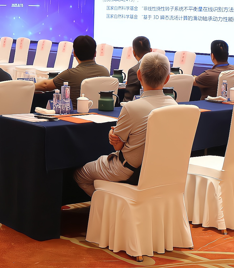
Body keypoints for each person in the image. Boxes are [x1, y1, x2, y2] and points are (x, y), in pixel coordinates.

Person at [74, 52, 176, 196]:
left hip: (129, 170)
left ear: (139, 75)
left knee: (80, 175)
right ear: (167, 78)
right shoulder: (174, 105)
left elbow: (117, 146)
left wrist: (112, 133)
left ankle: (107, 207)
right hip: (163, 169)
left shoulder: (131, 107)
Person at [34, 35, 110, 102]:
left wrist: (29, 85)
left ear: (74, 54)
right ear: (95, 53)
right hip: (99, 113)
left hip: (76, 113)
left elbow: (45, 86)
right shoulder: (105, 72)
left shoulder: (70, 74)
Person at [122, 36, 151, 102]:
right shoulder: (162, 67)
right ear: (151, 50)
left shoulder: (134, 70)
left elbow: (128, 99)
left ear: (134, 52)